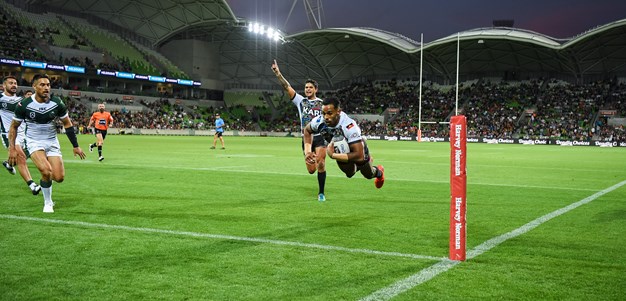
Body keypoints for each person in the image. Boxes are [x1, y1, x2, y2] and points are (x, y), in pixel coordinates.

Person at [8, 74, 86, 213]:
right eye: (42, 85)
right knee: (46, 171)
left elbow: (67, 124)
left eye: (48, 85)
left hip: (52, 141)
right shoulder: (24, 105)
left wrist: (76, 146)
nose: (46, 88)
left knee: (59, 177)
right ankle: (48, 202)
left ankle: (46, 183)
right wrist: (12, 149)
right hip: (34, 141)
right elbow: (13, 127)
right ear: (34, 86)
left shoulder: (57, 103)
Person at [272, 59, 328, 201]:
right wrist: (278, 74)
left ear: (316, 89)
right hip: (306, 139)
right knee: (311, 170)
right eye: (306, 87)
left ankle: (321, 193)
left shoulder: (322, 104)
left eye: (310, 87)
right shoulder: (300, 101)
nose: (308, 89)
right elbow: (287, 86)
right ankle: (315, 157)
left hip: (320, 137)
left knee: (321, 163)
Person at [303, 98, 385, 189]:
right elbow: (307, 130)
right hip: (341, 149)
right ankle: (364, 163)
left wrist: (333, 155)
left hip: (357, 149)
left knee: (368, 174)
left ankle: (379, 172)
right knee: (350, 174)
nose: (326, 117)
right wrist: (308, 152)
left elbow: (359, 155)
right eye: (323, 113)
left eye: (330, 113)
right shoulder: (319, 121)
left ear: (338, 111)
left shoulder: (349, 126)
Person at [0, 77, 40, 195]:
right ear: (3, 85)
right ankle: (32, 185)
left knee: (33, 153)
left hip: (25, 134)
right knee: (21, 157)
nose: (13, 85)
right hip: (10, 134)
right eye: (10, 83)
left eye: (15, 83)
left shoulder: (21, 100)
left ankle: (9, 163)